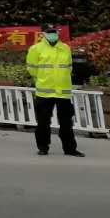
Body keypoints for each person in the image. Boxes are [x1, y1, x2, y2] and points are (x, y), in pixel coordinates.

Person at [27, 24, 84, 157]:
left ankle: (70, 149)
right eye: (49, 32)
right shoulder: (35, 49)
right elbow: (32, 69)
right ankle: (43, 147)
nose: (52, 34)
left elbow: (69, 67)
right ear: (43, 34)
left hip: (63, 92)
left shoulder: (65, 48)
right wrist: (43, 79)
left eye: (54, 32)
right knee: (43, 122)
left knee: (66, 122)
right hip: (44, 92)